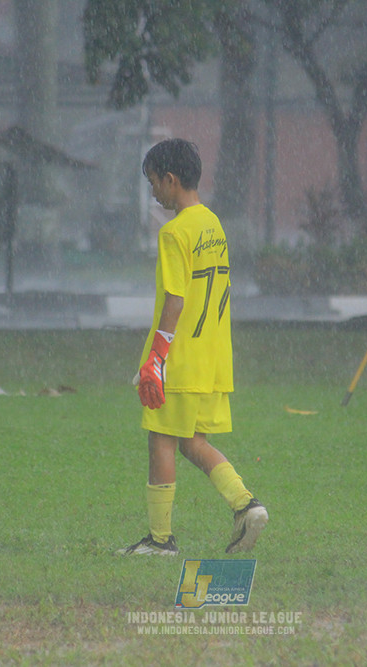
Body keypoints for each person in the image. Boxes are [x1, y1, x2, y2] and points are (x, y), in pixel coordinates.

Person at [121, 138, 268, 556]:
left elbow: (176, 299)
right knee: (193, 442)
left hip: (180, 360)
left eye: (153, 183)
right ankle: (246, 504)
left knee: (161, 442)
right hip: (214, 358)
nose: (153, 192)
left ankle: (160, 541)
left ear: (170, 180)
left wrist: (156, 359)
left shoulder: (174, 233)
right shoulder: (213, 225)